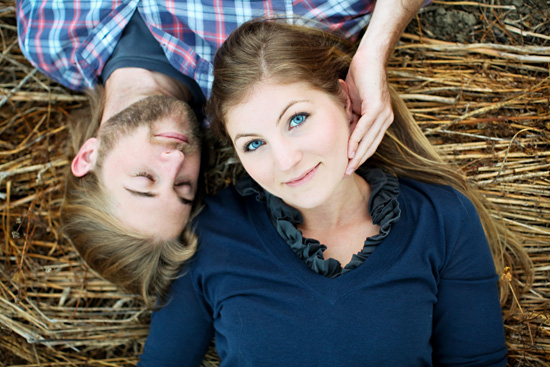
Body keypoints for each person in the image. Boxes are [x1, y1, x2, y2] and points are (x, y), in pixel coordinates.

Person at [137, 19, 532, 366]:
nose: (287, 160)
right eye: (254, 144)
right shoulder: (213, 233)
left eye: (297, 118)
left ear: (345, 100)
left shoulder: (442, 218)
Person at [16, 0, 427, 305]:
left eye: (144, 181)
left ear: (87, 158)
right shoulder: (264, 64)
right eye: (183, 186)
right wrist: (375, 49)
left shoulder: (47, 40)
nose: (176, 160)